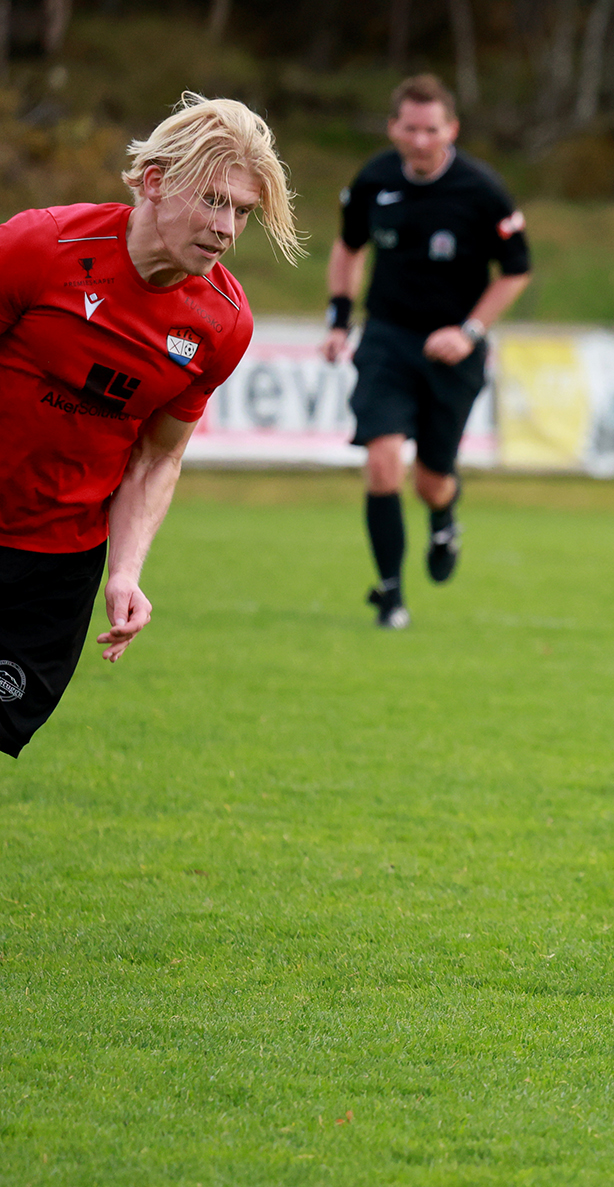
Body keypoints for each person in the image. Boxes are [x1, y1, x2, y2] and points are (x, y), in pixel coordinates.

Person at [0, 93, 300, 758]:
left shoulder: (223, 323)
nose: (226, 228)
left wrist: (125, 572)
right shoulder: (38, 247)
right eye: (215, 200)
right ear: (158, 182)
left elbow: (158, 458)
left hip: (57, 565)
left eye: (243, 212)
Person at [323, 74, 532, 629]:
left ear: (452, 130)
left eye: (431, 129)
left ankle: (443, 519)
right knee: (382, 460)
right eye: (409, 129)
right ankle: (390, 594)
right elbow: (347, 249)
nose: (419, 140)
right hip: (388, 338)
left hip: (453, 352)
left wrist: (468, 330)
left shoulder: (482, 190)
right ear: (394, 127)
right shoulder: (373, 180)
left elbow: (516, 272)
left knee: (431, 479)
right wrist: (340, 319)